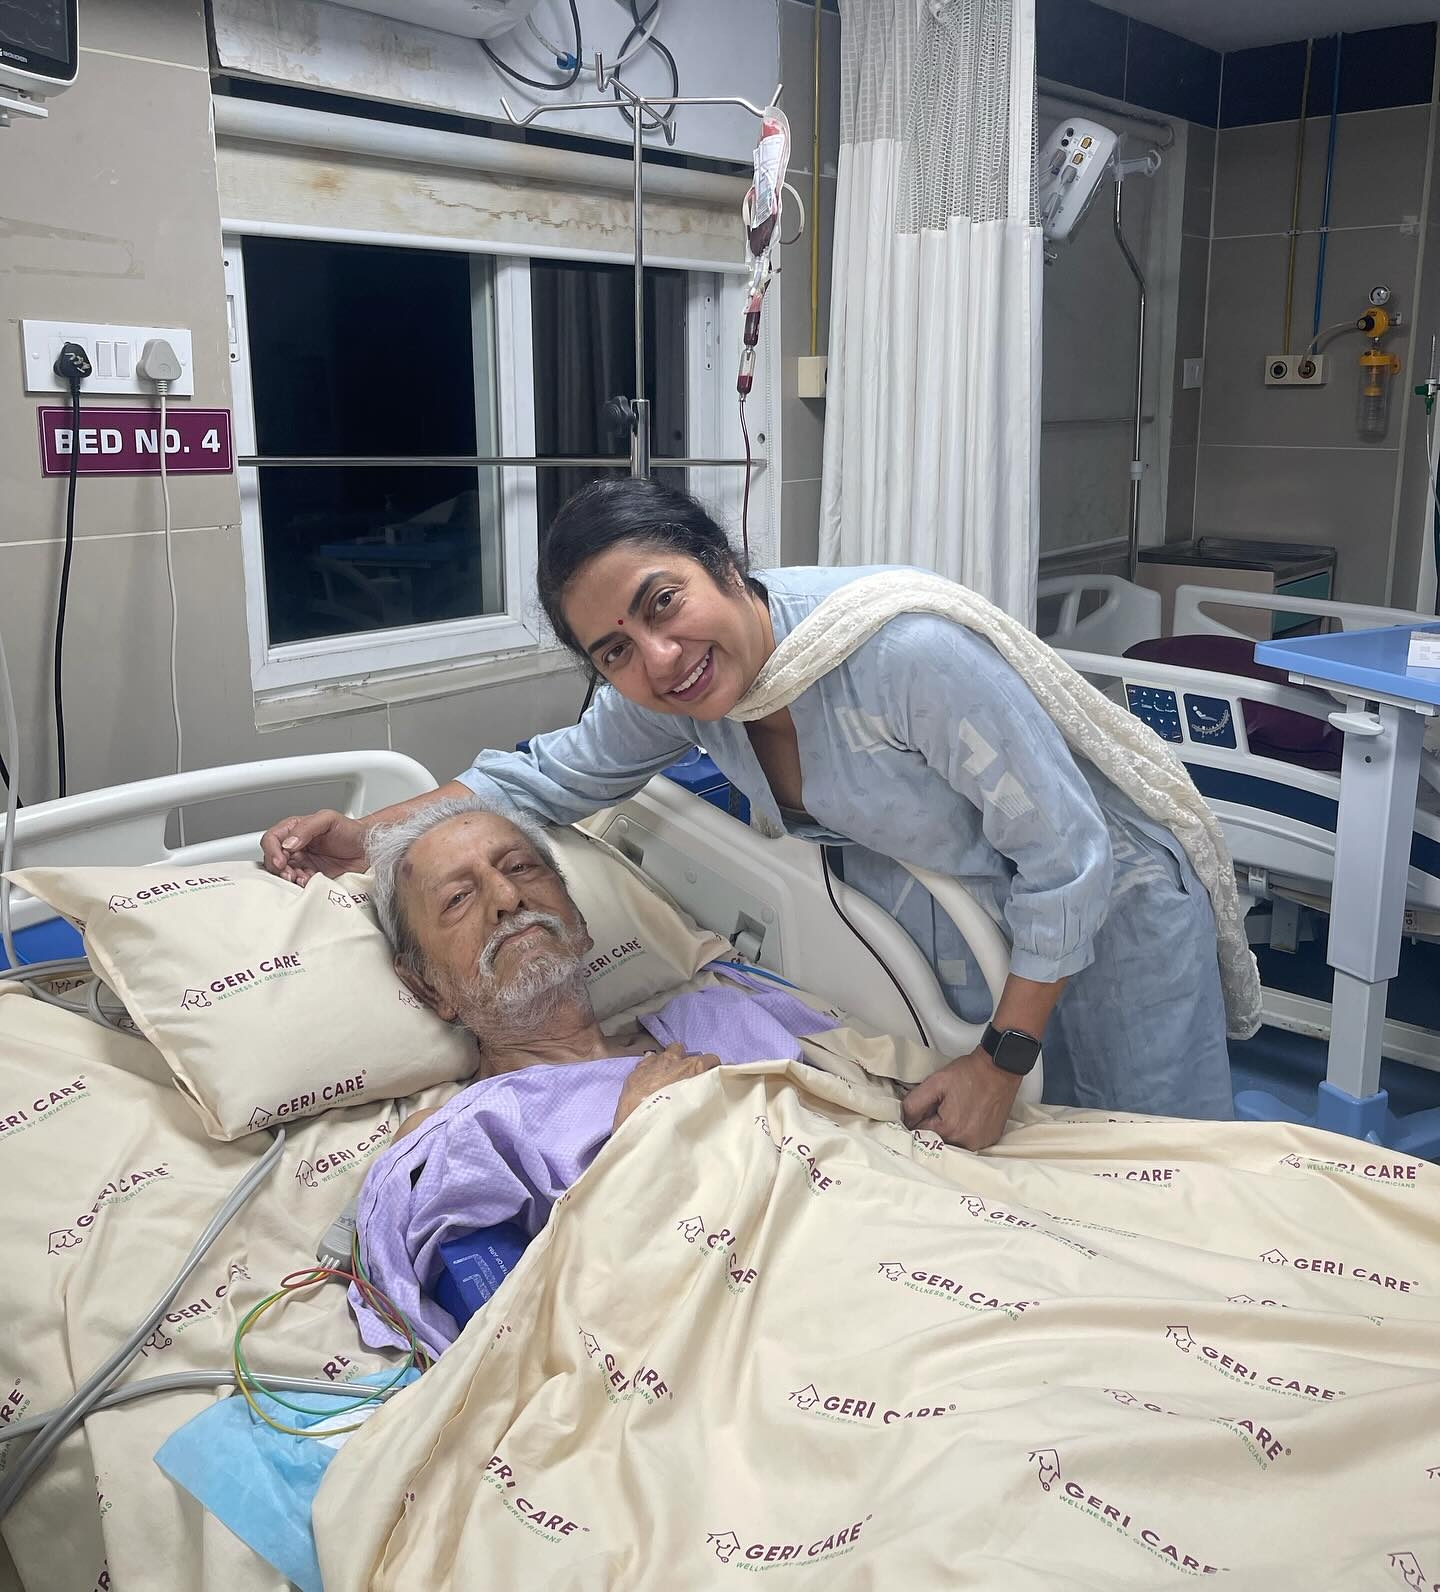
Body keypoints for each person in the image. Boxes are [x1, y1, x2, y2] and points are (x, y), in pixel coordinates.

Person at [262, 479, 1234, 1145]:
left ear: (724, 565)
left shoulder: (903, 659)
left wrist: (999, 1062)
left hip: (1113, 910)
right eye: (612, 650)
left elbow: (1068, 859)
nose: (658, 657)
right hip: (999, 924)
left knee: (1165, 1171)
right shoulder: (673, 695)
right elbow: (545, 778)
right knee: (1069, 1177)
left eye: (663, 603)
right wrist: (369, 834)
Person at [350, 790, 838, 1355]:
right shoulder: (467, 1135)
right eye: (458, 898)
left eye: (521, 868)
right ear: (427, 987)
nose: (508, 897)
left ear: (577, 918)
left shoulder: (720, 1018)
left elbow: (867, 1122)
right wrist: (640, 1142)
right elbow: (518, 1344)